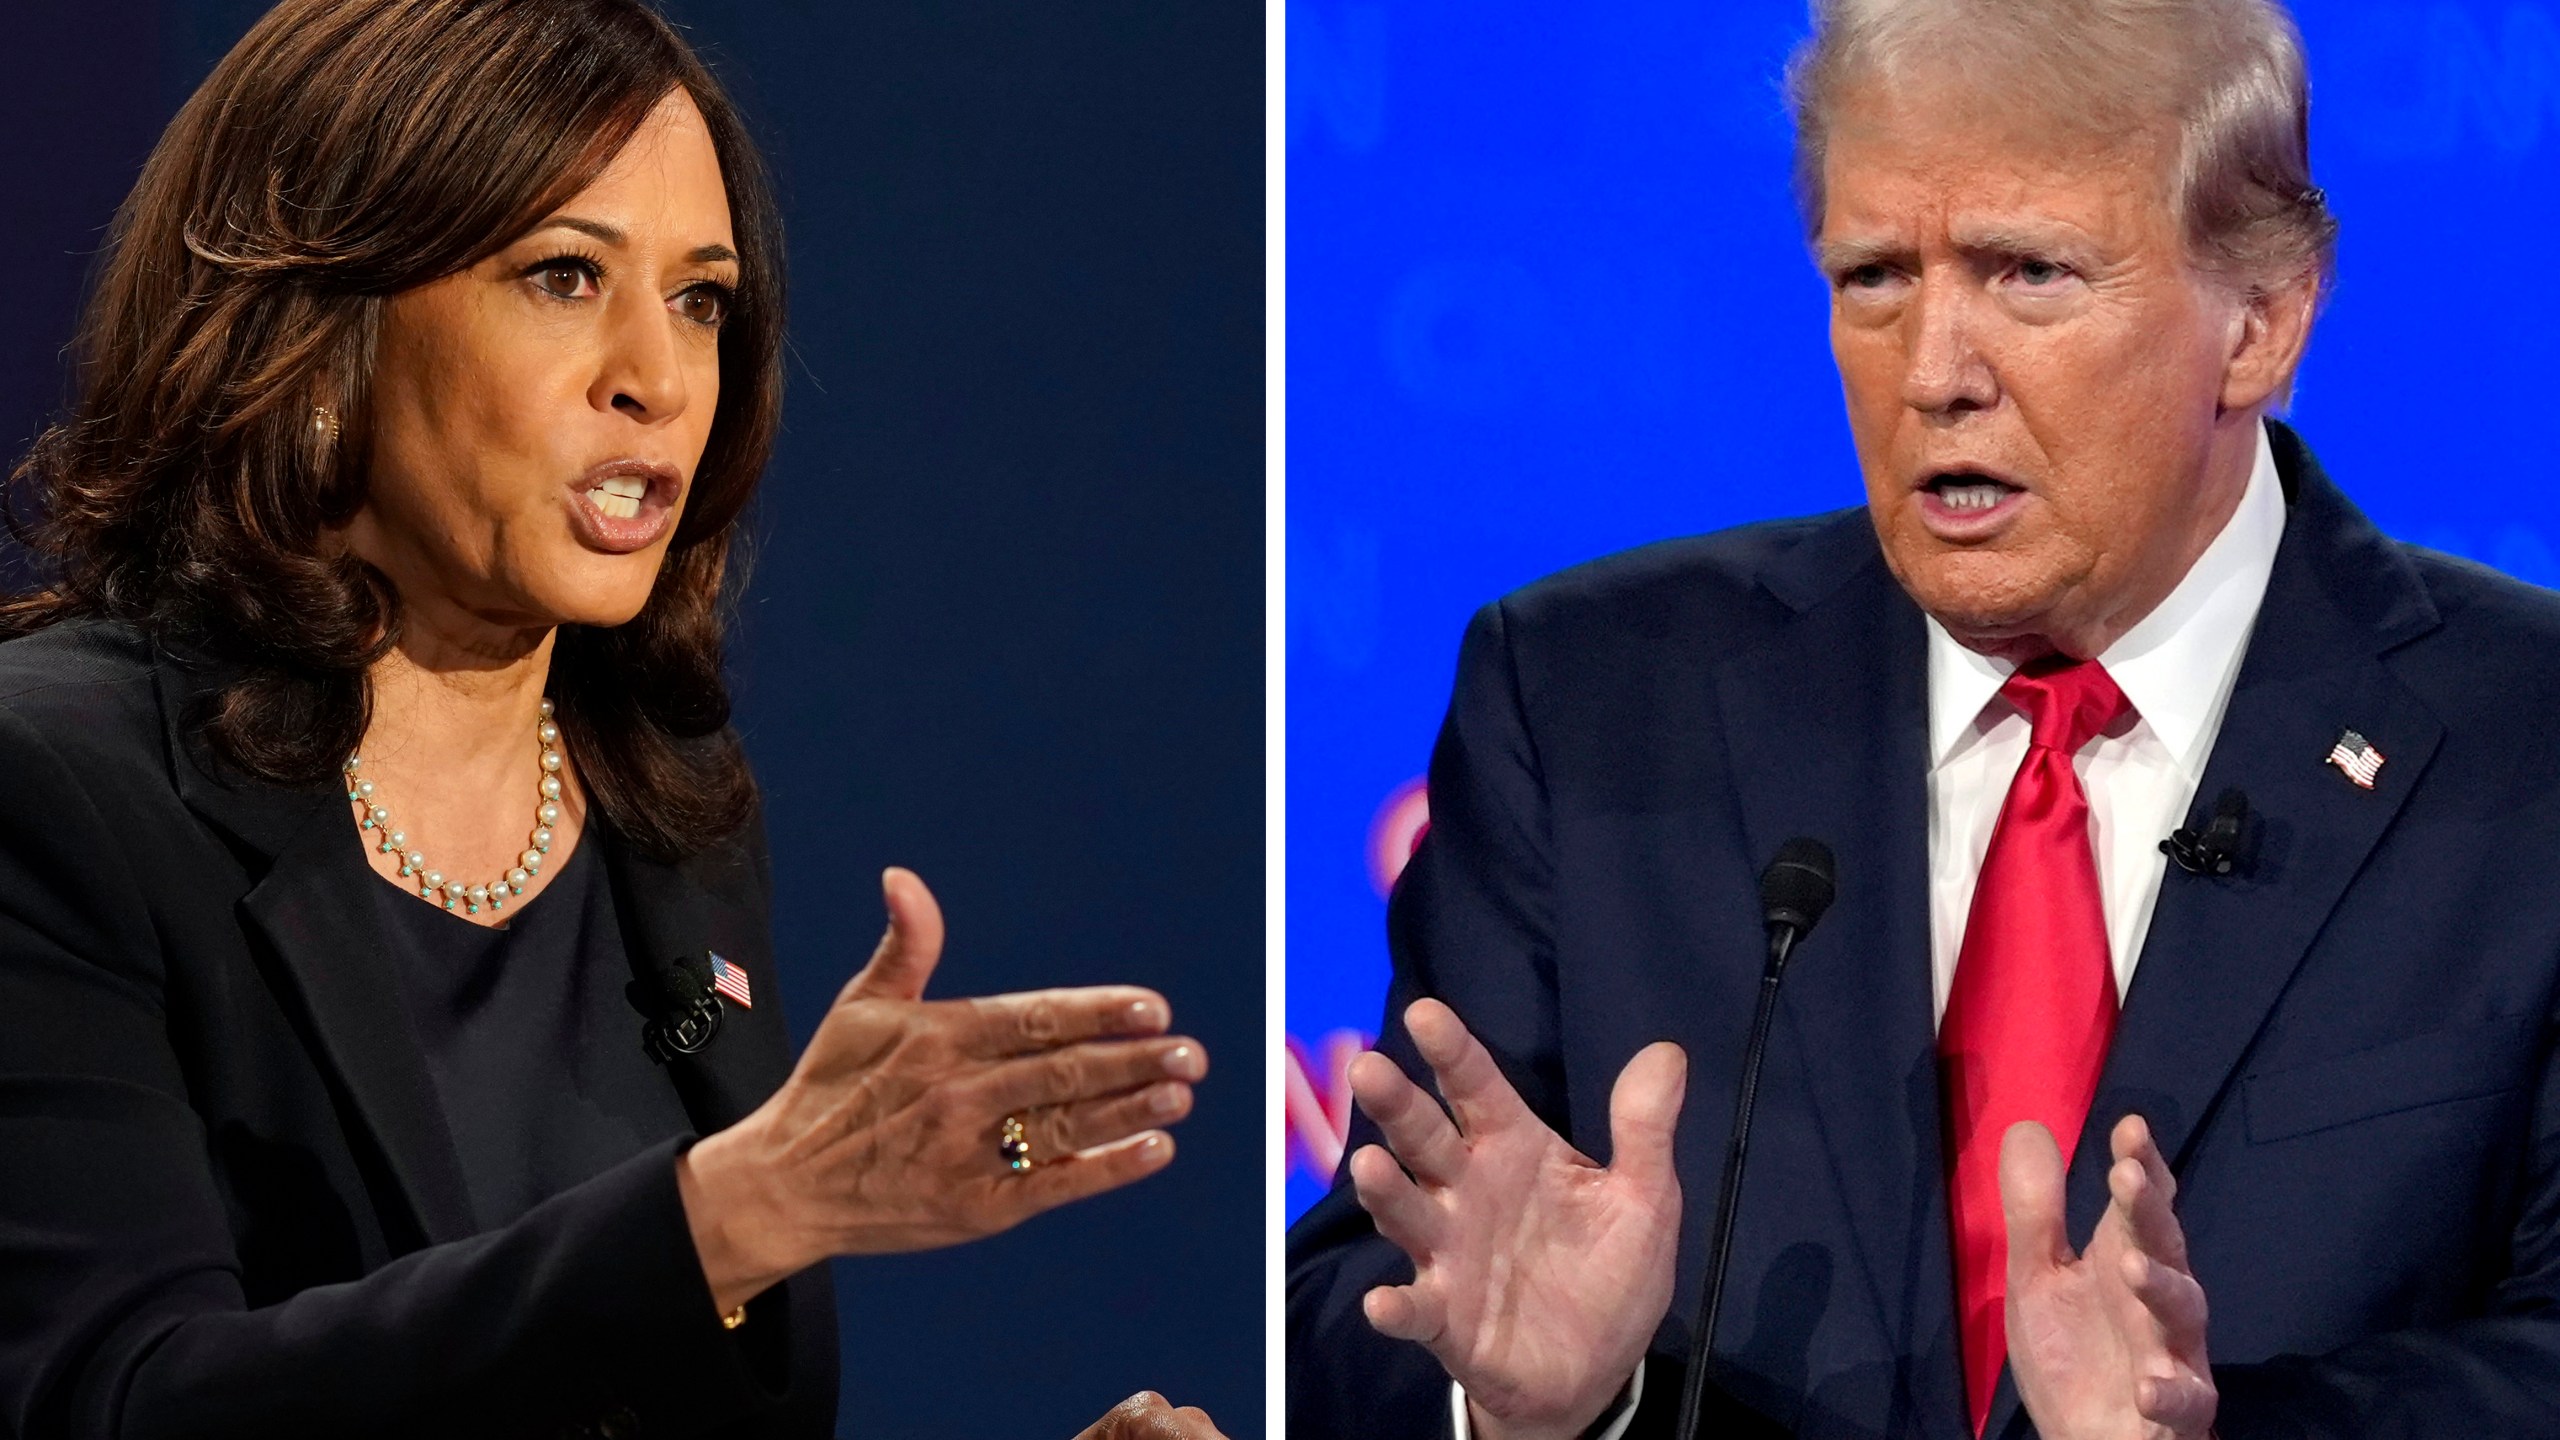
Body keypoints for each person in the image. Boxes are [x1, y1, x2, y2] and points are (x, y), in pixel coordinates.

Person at [1286, 0, 2560, 1437]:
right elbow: (1361, 1305)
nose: (1936, 371)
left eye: (2031, 272)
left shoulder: (2529, 742)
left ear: (2260, 323)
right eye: (1876, 276)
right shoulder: (1588, 701)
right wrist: (1545, 1405)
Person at [0, 2, 1224, 1436]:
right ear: (322, 332)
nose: (660, 375)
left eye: (701, 299)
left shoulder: (661, 800)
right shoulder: (58, 786)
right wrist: (724, 1219)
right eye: (565, 276)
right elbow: (114, 1401)